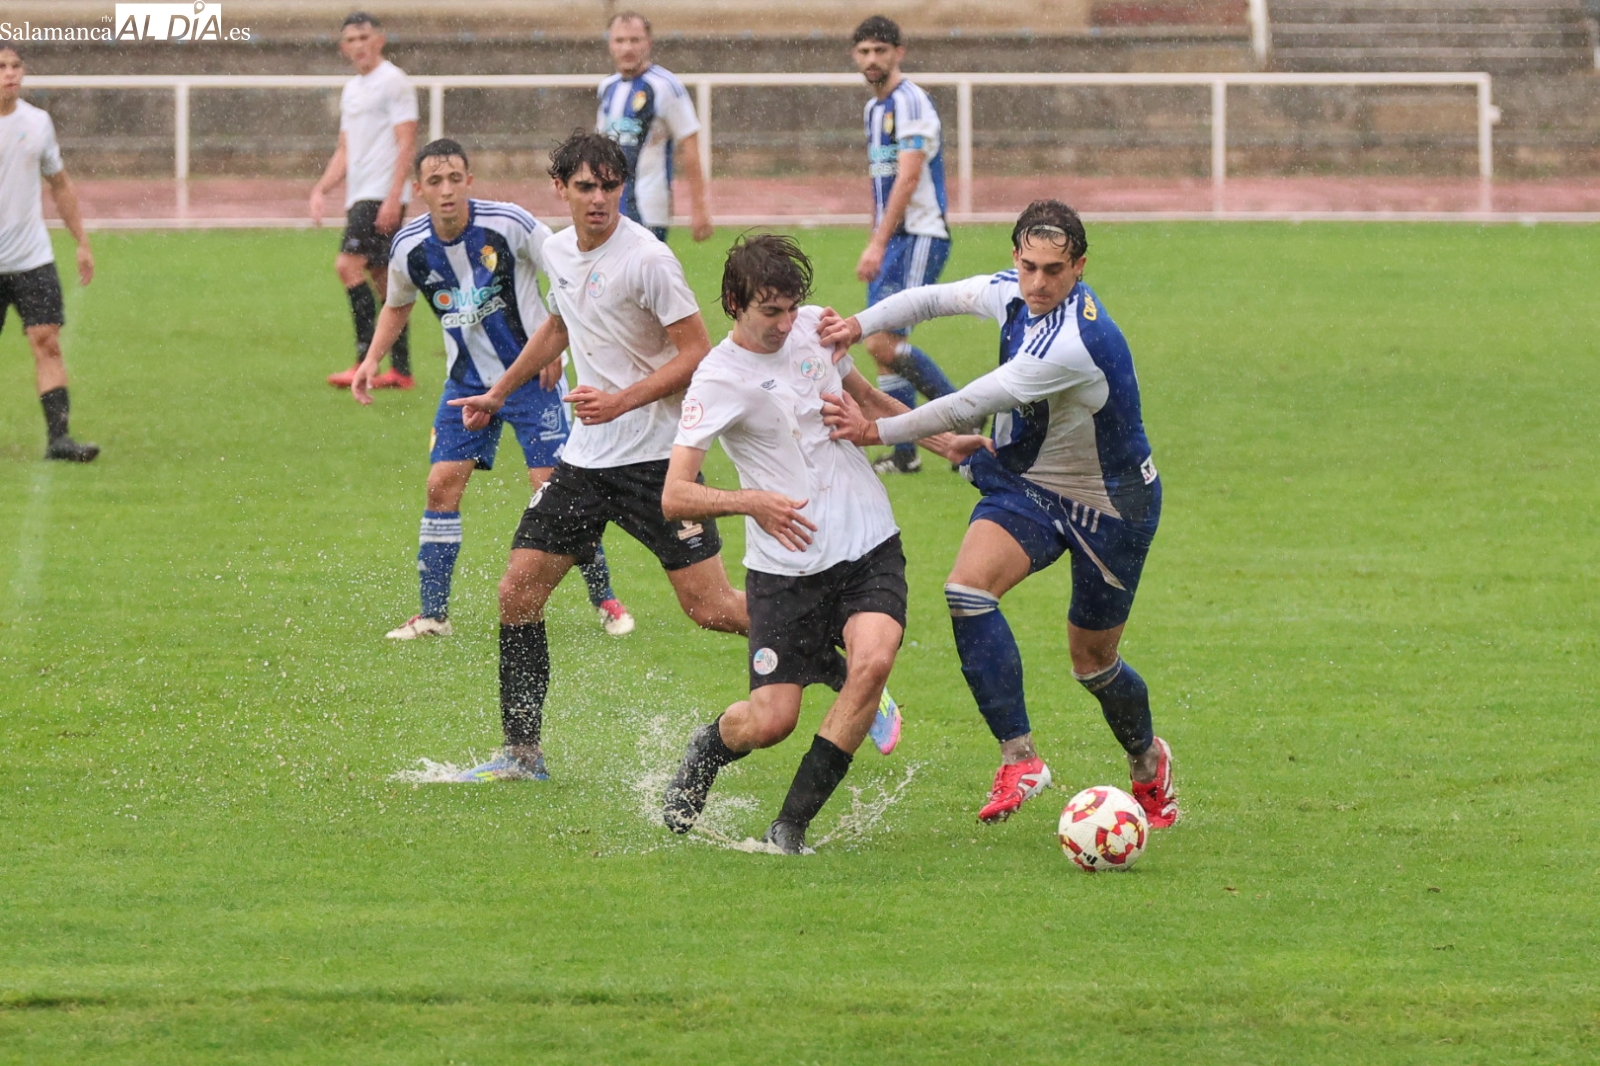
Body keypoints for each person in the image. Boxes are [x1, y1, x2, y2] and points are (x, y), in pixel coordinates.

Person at [820, 200, 1180, 829]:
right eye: (1029, 266)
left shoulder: (1076, 339)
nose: (1039, 284)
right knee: (966, 590)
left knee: (1092, 663)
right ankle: (1020, 758)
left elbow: (967, 404)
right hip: (1030, 485)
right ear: (1015, 257)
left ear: (1080, 266)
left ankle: (1148, 761)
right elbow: (928, 299)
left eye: (1055, 270)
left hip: (1112, 504)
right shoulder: (1011, 292)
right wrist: (856, 324)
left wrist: (876, 430)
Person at [659, 235, 985, 854]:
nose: (786, 324)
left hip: (867, 543)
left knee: (873, 661)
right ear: (735, 302)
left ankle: (789, 827)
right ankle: (707, 749)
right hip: (786, 572)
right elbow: (676, 495)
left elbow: (866, 405)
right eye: (770, 311)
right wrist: (751, 501)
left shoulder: (816, 329)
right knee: (771, 721)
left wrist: (948, 444)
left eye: (790, 308)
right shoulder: (717, 380)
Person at [446, 132, 744, 782]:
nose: (599, 199)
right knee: (518, 593)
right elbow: (560, 323)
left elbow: (699, 353)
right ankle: (523, 756)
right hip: (585, 465)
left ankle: (839, 656)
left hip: (657, 463)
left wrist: (622, 400)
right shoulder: (556, 249)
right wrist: (499, 392)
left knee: (713, 609)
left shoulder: (649, 259)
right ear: (561, 189)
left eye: (610, 186)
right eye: (585, 186)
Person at [347, 137, 633, 641]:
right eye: (435, 181)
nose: (447, 189)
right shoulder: (411, 247)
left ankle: (606, 599)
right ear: (419, 190)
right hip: (465, 384)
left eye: (456, 177)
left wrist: (558, 351)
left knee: (558, 491)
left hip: (530, 379)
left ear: (469, 181)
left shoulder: (510, 225)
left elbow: (565, 271)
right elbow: (397, 304)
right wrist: (371, 359)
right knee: (441, 485)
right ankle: (434, 615)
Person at [849, 14, 958, 476]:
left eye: (880, 50)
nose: (872, 59)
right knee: (883, 344)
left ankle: (962, 414)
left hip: (918, 236)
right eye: (864, 51)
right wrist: (877, 237)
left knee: (881, 341)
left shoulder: (911, 102)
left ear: (898, 53)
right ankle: (906, 450)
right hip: (895, 240)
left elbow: (909, 176)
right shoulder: (874, 109)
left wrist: (877, 243)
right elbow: (883, 180)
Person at [0, 45, 98, 462]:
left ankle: (59, 439)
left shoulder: (38, 123)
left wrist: (81, 241)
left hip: (32, 259)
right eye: (1, 67)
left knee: (48, 342)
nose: (10, 73)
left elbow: (59, 184)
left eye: (15, 66)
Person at [311, 11, 417, 390]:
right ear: (343, 47)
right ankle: (401, 371)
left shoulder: (394, 82)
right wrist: (322, 188)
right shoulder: (352, 89)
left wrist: (394, 197)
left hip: (380, 195)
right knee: (385, 281)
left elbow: (407, 141)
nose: (358, 45)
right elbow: (345, 147)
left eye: (364, 37)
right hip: (362, 195)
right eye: (351, 40)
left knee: (347, 266)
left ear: (379, 40)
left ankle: (362, 363)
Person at [596, 12, 713, 244]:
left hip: (649, 207)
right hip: (608, 206)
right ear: (610, 44)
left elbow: (689, 144)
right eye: (620, 40)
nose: (627, 48)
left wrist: (699, 208)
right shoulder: (607, 88)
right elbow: (598, 145)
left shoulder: (665, 86)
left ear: (648, 43)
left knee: (645, 279)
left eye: (634, 40)